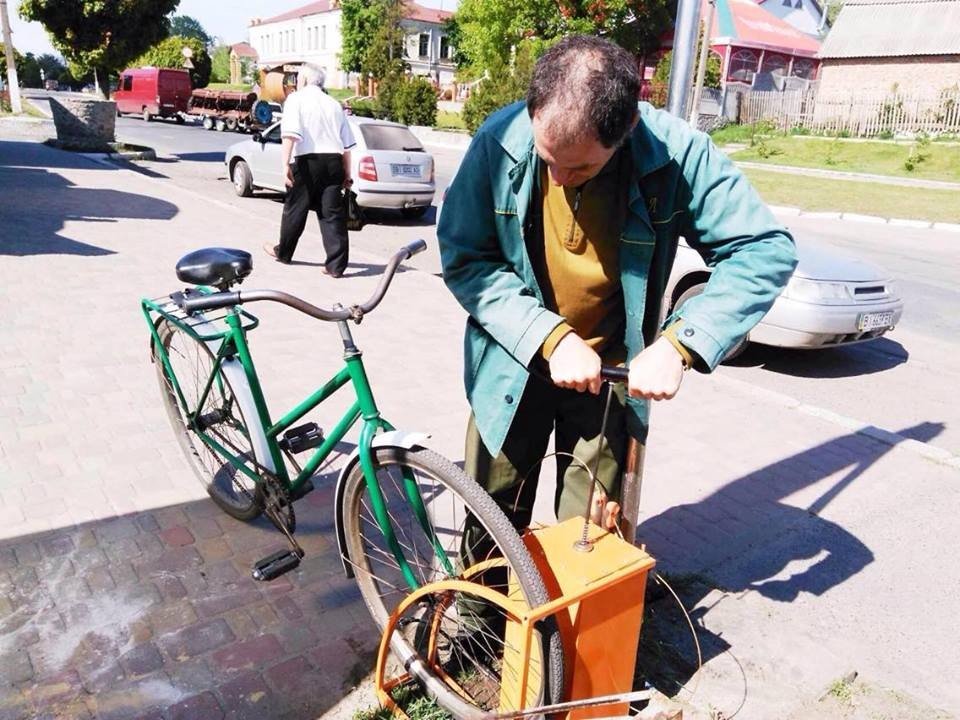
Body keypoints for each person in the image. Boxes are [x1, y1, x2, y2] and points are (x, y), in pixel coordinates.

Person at [438, 35, 798, 537]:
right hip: (510, 365)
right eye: (547, 159)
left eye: (581, 166)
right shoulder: (498, 142)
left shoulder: (678, 154)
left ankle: (571, 620)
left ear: (627, 127)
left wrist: (678, 345)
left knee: (589, 534)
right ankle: (478, 616)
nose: (559, 178)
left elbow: (764, 250)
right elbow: (466, 258)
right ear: (532, 107)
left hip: (609, 379)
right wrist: (551, 337)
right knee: (490, 520)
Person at [263, 63, 355, 276]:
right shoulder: (334, 104)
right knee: (331, 214)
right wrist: (347, 174)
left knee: (295, 209)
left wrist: (285, 163)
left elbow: (290, 134)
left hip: (306, 162)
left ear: (302, 81)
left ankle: (283, 253)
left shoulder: (296, 99)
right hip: (334, 162)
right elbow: (347, 146)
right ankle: (336, 266)